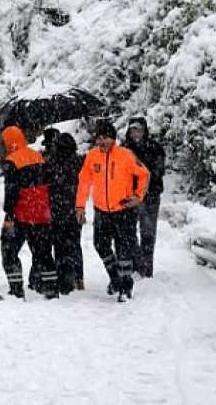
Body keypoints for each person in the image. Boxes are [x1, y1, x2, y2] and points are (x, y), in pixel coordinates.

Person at [76, 120, 149, 302]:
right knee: (100, 245)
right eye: (99, 138)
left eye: (105, 138)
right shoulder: (92, 156)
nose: (102, 142)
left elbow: (144, 174)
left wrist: (137, 197)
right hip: (101, 210)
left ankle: (126, 286)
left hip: (123, 209)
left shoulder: (126, 155)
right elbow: (84, 182)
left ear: (113, 138)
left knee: (124, 249)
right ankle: (115, 277)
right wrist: (80, 206)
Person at [0, 126, 58, 300]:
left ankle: (16, 290)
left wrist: (9, 214)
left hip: (22, 213)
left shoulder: (12, 161)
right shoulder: (37, 156)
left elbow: (12, 191)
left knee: (9, 250)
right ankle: (51, 288)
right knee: (43, 252)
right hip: (41, 211)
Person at [125, 117, 166, 277]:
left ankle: (147, 268)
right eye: (132, 129)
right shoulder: (124, 149)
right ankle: (136, 264)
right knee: (128, 232)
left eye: (138, 129)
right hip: (130, 196)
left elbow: (158, 170)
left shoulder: (155, 148)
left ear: (144, 130)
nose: (135, 133)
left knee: (148, 232)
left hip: (151, 195)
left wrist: (143, 177)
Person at [46, 133, 84, 293]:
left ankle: (64, 279)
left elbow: (46, 185)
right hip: (75, 209)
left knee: (60, 246)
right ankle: (78, 277)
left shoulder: (51, 163)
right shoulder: (79, 162)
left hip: (57, 210)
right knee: (75, 244)